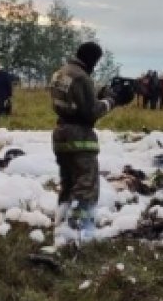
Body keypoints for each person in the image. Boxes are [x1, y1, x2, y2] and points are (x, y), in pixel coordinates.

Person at [50, 41, 128, 242]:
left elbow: (73, 100)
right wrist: (111, 101)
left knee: (68, 183)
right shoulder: (82, 78)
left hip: (61, 133)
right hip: (79, 136)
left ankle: (60, 224)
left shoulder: (61, 73)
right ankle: (78, 231)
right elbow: (90, 112)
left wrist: (97, 95)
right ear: (92, 59)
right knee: (86, 184)